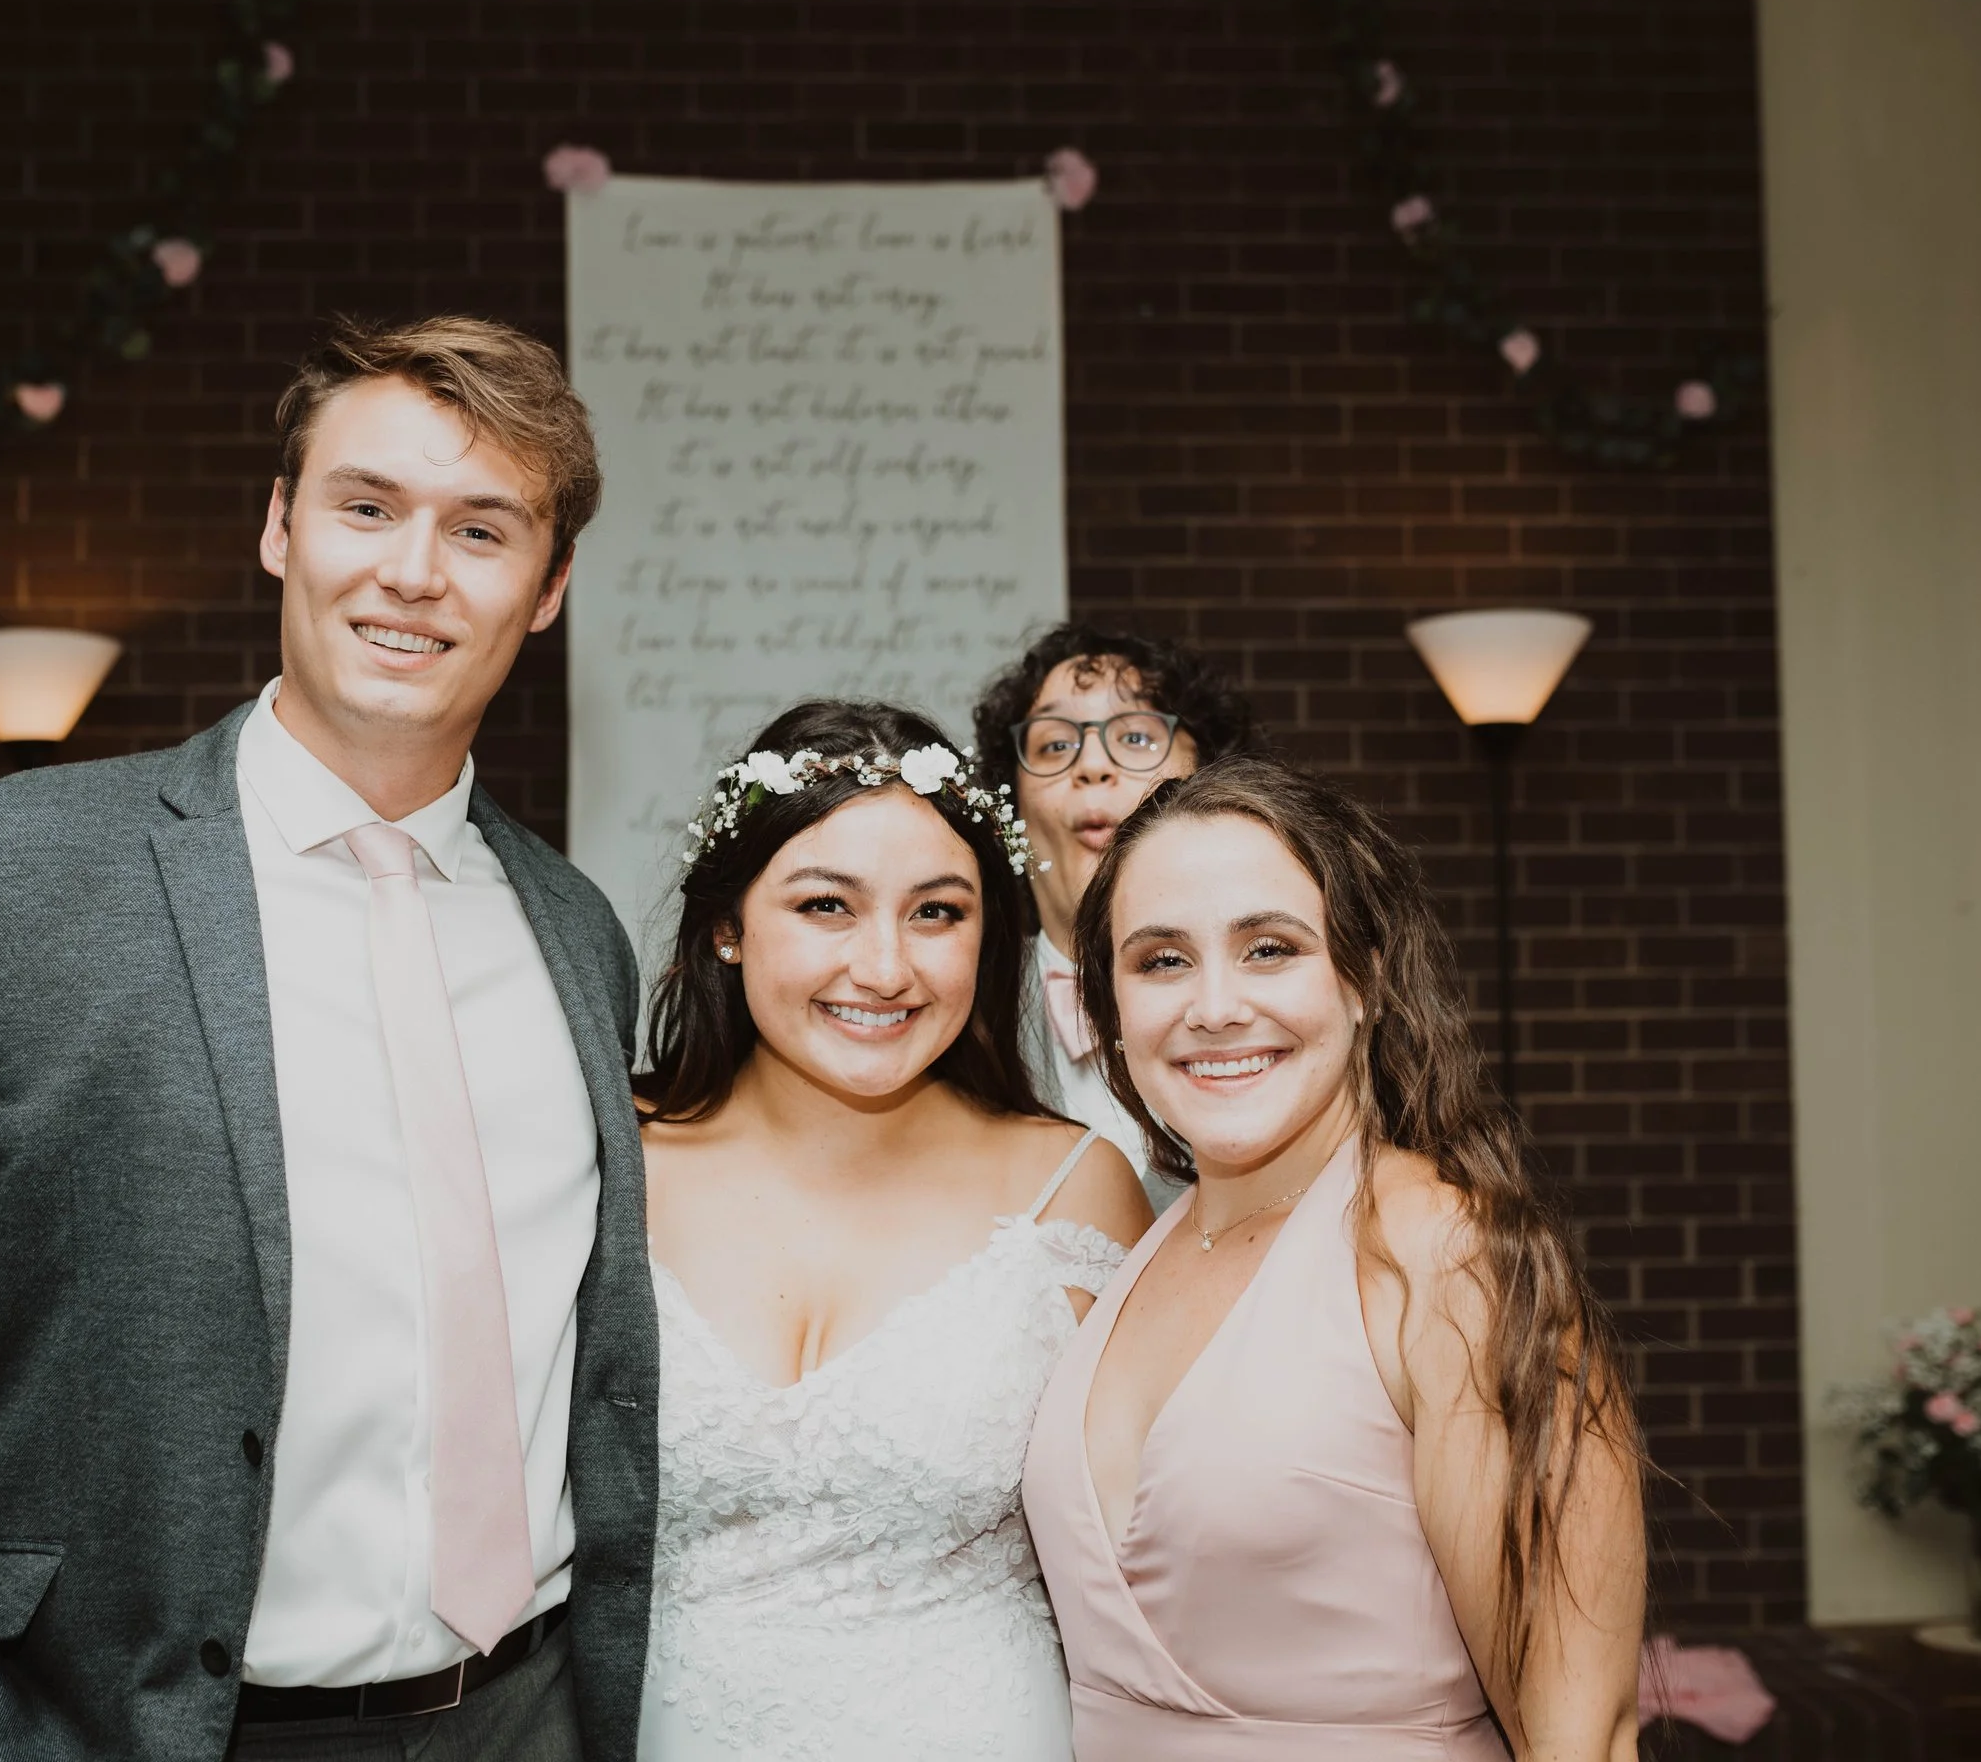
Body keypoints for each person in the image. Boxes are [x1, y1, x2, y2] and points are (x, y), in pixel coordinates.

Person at [0, 317, 657, 1762]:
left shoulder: (577, 934)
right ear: (278, 525)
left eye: (484, 529)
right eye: (364, 506)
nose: (412, 571)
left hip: (531, 1717)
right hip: (141, 1729)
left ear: (550, 587)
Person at [1022, 758, 1646, 1758]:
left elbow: (1580, 1734)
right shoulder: (1145, 1243)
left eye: (1268, 949)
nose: (1213, 1006)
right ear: (1112, 1007)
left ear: (1365, 978)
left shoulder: (1441, 1256)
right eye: (1161, 961)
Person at [634, 700, 1151, 1762]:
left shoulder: (1073, 1188)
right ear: (727, 926)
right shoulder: (607, 1165)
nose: (883, 969)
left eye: (936, 912)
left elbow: (1154, 1551)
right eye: (826, 905)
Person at [972, 623, 1261, 1208]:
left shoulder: (1280, 1001)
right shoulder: (961, 1015)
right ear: (1012, 807)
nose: (1093, 765)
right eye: (1055, 744)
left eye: (1134, 737)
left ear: (1207, 778)